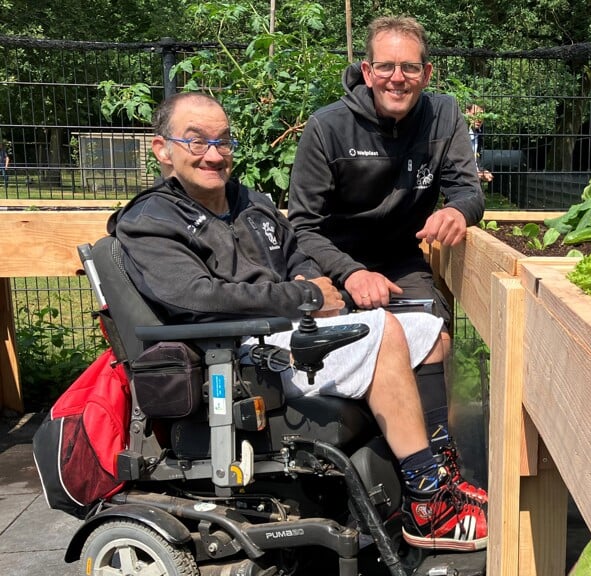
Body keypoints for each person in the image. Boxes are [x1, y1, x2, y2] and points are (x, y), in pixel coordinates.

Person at [108, 91, 487, 552]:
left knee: (429, 334)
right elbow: (198, 296)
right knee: (383, 332)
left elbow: (296, 250)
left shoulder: (247, 201)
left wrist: (310, 275)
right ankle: (428, 504)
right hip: (241, 356)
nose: (214, 154)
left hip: (289, 334)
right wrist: (305, 295)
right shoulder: (151, 221)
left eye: (223, 141)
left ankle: (439, 477)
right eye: (197, 141)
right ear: (162, 148)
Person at [287, 15, 487, 500]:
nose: (398, 78)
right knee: (352, 336)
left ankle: (439, 470)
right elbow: (302, 225)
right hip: (330, 260)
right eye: (386, 67)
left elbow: (468, 190)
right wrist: (350, 273)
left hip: (400, 260)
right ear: (367, 70)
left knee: (436, 338)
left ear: (427, 73)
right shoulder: (328, 127)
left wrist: (459, 211)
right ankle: (365, 464)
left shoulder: (444, 116)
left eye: (409, 68)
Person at [465, 104, 493, 183]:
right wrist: (475, 173)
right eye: (475, 115)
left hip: (474, 181)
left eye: (481, 116)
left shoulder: (480, 134)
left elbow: (476, 160)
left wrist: (483, 171)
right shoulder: (459, 133)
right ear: (467, 113)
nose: (479, 119)